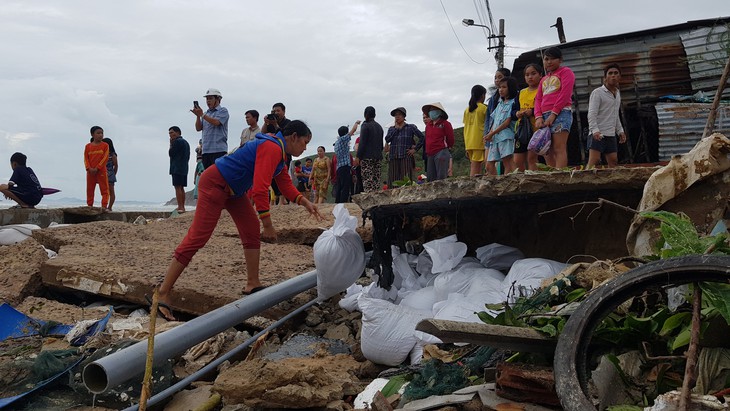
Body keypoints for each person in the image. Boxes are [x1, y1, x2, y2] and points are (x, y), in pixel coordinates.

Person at [157, 120, 323, 320]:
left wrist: (306, 203)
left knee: (251, 227)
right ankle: (163, 293)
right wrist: (268, 225)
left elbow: (284, 184)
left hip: (234, 191)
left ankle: (252, 283)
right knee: (198, 237)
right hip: (215, 184)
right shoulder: (271, 147)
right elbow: (261, 188)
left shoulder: (279, 152)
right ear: (294, 137)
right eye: (305, 142)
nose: (306, 147)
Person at [534, 47, 575, 169]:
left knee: (558, 147)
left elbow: (565, 94)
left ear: (560, 60)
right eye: (546, 59)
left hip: (561, 113)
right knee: (547, 149)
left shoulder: (566, 72)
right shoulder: (543, 80)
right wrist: (538, 116)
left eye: (552, 59)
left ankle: (560, 175)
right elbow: (538, 99)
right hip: (544, 115)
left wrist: (554, 114)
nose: (549, 62)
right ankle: (551, 175)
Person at [587, 63, 627, 168]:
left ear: (620, 77)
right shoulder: (597, 93)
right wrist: (594, 130)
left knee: (613, 161)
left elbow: (615, 114)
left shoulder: (617, 94)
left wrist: (620, 130)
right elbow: (592, 113)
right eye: (610, 73)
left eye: (616, 73)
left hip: (610, 133)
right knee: (594, 161)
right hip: (598, 133)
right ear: (605, 77)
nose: (613, 75)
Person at [484, 77, 519, 175]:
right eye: (499, 87)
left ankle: (517, 179)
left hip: (505, 136)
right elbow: (494, 121)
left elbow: (507, 122)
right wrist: (489, 134)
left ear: (510, 88)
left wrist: (492, 133)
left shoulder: (513, 103)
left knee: (508, 161)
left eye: (504, 87)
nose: (500, 89)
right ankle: (497, 185)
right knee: (489, 165)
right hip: (495, 138)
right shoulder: (500, 104)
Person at [384, 107, 424, 187]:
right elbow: (387, 139)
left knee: (406, 180)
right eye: (395, 115)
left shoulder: (410, 127)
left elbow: (422, 137)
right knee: (393, 181)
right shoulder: (391, 129)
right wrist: (395, 129)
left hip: (406, 157)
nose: (397, 117)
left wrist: (415, 149)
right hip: (393, 157)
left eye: (399, 115)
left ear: (404, 116)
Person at [514, 64, 543, 171]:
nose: (530, 77)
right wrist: (517, 113)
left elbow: (546, 107)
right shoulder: (521, 92)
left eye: (533, 74)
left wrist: (533, 112)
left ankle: (534, 180)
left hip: (536, 130)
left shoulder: (543, 90)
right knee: (517, 159)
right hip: (521, 130)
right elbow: (513, 110)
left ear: (540, 75)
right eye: (527, 75)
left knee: (532, 158)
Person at [192, 88, 229, 169]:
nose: (208, 101)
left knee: (218, 176)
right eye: (207, 99)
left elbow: (216, 122)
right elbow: (198, 128)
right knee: (208, 178)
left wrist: (202, 115)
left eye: (211, 98)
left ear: (218, 99)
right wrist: (198, 116)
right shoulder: (205, 114)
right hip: (206, 151)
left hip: (219, 150)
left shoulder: (223, 111)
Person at [422, 102, 454, 182]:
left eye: (434, 110)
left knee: (441, 177)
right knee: (430, 177)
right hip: (430, 153)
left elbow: (450, 138)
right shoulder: (428, 126)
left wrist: (447, 148)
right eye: (430, 110)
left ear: (440, 112)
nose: (431, 112)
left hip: (441, 151)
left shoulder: (445, 124)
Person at [356, 106, 384, 193]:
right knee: (376, 181)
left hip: (367, 157)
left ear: (365, 114)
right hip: (378, 157)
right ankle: (376, 201)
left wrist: (358, 156)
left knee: (368, 181)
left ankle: (369, 202)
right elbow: (381, 145)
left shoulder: (365, 125)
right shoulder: (379, 127)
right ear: (375, 115)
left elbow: (362, 143)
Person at [463, 85, 488, 176]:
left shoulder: (467, 110)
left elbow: (465, 126)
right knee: (476, 167)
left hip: (469, 141)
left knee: (475, 165)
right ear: (482, 95)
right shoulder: (484, 108)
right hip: (479, 140)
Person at [333, 121, 361, 203]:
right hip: (345, 167)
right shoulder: (343, 140)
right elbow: (352, 131)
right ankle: (343, 203)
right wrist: (356, 123)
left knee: (340, 186)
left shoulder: (337, 141)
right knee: (345, 186)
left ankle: (338, 202)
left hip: (339, 167)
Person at [84, 126, 110, 210]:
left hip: (101, 171)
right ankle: (89, 205)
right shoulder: (88, 146)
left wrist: (97, 168)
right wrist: (89, 168)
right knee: (90, 190)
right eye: (98, 133)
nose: (100, 135)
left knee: (104, 190)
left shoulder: (105, 145)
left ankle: (104, 206)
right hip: (90, 172)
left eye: (102, 133)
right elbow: (85, 158)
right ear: (92, 134)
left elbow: (105, 158)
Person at [169, 126, 191, 213]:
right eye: (169, 133)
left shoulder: (176, 142)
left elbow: (171, 153)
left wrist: (171, 144)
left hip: (176, 167)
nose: (170, 135)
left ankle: (180, 207)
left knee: (177, 187)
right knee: (181, 187)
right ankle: (182, 206)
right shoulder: (186, 142)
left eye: (172, 132)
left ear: (178, 132)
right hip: (184, 167)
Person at [102, 138, 118, 210]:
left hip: (110, 173)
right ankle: (104, 205)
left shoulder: (112, 154)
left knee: (111, 191)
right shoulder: (102, 153)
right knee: (104, 191)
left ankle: (110, 207)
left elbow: (116, 165)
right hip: (102, 173)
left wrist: (113, 174)